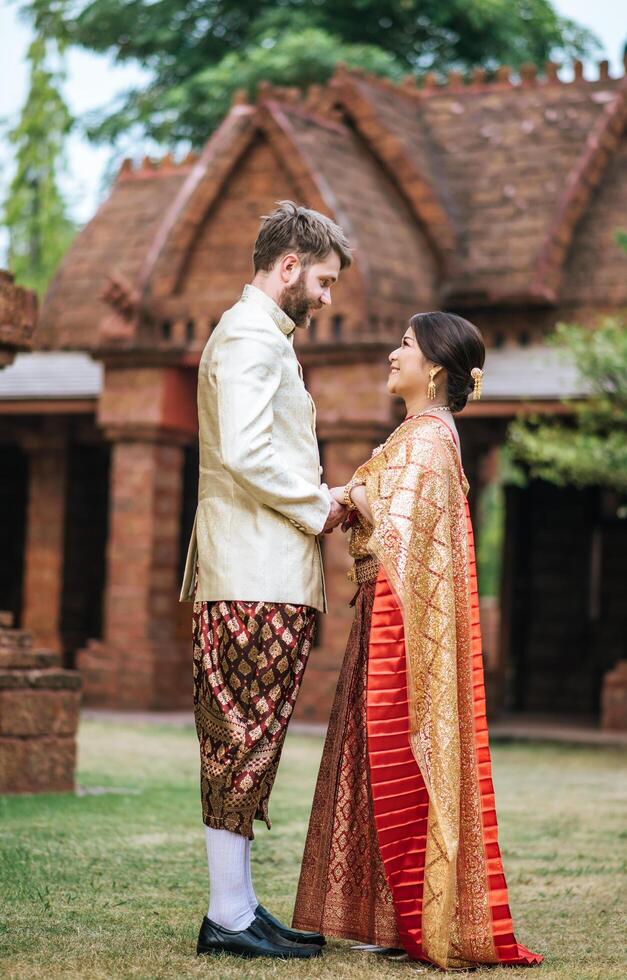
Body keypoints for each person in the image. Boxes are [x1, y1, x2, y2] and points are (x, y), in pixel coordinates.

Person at [292, 311, 543, 970]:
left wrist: (352, 500)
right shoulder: (413, 436)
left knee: (401, 761)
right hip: (388, 613)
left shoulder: (429, 441)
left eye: (403, 345)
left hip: (404, 625)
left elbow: (400, 534)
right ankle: (396, 917)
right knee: (379, 764)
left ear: (433, 367)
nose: (390, 354)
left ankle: (416, 917)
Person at [179, 201, 351, 959]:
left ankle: (241, 906)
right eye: (322, 280)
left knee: (253, 741)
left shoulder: (261, 336)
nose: (326, 296)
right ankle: (225, 914)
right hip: (253, 574)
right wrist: (320, 503)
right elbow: (248, 455)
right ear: (288, 267)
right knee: (239, 740)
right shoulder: (251, 337)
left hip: (259, 570)